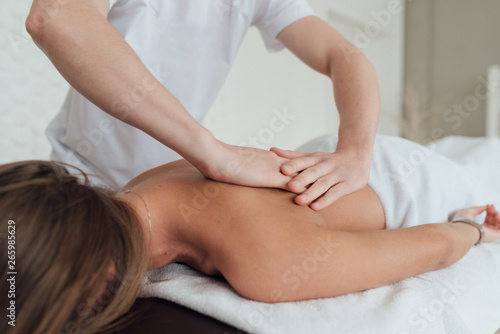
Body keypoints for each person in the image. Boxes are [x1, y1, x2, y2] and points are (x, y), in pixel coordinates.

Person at [1, 133, 500, 334]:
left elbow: (435, 247)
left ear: (99, 273)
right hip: (316, 161)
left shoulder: (268, 264)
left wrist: (470, 230)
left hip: (411, 182)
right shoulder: (141, 191)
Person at [25, 0, 380, 210]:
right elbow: (53, 17)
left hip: (162, 196)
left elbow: (344, 56)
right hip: (80, 186)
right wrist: (215, 153)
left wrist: (356, 152)